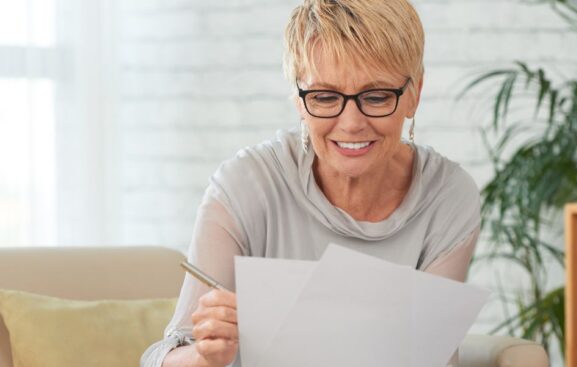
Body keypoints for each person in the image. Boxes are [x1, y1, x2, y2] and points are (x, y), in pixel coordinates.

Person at [141, 0, 480, 366]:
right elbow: (161, 359)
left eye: (377, 96)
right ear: (299, 100)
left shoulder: (448, 197)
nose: (351, 123)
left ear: (414, 93)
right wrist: (207, 356)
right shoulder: (246, 186)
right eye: (324, 97)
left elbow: (432, 357)